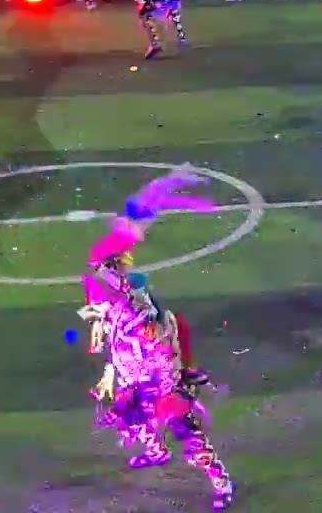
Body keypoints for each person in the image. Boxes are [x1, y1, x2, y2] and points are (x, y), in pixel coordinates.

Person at [80, 169, 234, 511]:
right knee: (133, 418)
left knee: (186, 431)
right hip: (133, 371)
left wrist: (178, 381)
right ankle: (156, 452)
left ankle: (221, 483)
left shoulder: (141, 313)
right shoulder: (116, 297)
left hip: (158, 377)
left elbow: (170, 342)